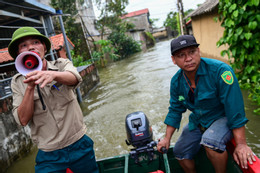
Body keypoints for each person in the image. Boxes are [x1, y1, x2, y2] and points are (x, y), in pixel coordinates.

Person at [157, 35, 256, 173]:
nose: (188, 58)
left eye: (192, 52)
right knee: (179, 152)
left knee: (211, 142)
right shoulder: (176, 82)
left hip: (222, 117)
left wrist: (241, 144)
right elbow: (175, 110)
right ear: (174, 60)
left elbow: (235, 109)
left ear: (199, 51)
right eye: (181, 55)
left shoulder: (221, 71)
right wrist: (167, 138)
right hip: (199, 120)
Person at [9, 27, 99, 173]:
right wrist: (30, 88)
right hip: (49, 154)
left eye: (36, 42)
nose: (31, 47)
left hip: (79, 144)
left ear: (44, 47)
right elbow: (23, 120)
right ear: (19, 53)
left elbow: (75, 78)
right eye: (23, 45)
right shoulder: (17, 82)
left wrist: (53, 75)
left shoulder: (61, 65)